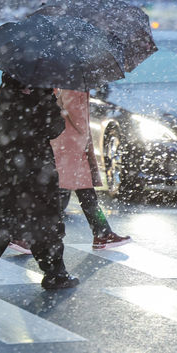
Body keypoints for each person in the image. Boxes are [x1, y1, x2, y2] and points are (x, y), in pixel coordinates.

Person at [0, 73, 79, 292]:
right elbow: (52, 128)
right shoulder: (39, 89)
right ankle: (54, 274)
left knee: (5, 219)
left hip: (8, 164)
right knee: (44, 220)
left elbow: (1, 126)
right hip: (34, 166)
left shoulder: (8, 87)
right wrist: (57, 107)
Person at [51, 89, 131, 250]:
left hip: (68, 146)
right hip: (72, 147)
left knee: (85, 194)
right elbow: (77, 117)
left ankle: (102, 233)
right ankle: (26, 237)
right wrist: (84, 141)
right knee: (63, 195)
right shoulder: (74, 83)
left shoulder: (65, 79)